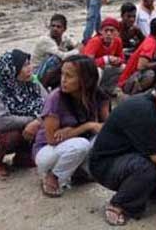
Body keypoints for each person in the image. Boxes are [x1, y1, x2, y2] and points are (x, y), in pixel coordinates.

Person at [90, 73, 156, 228]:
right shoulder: (142, 109)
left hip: (134, 154)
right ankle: (120, 204)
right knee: (147, 167)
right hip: (106, 164)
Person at [33, 55, 109, 197]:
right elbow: (51, 139)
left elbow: (108, 126)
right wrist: (87, 126)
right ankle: (53, 176)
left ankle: (79, 173)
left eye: (69, 76)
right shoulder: (56, 98)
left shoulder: (97, 95)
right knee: (81, 144)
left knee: (104, 138)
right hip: (48, 151)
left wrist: (73, 131)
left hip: (76, 146)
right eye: (62, 74)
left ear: (85, 79)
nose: (63, 79)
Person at [118, 17, 156, 95]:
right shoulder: (150, 43)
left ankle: (153, 91)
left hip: (136, 76)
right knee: (149, 74)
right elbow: (141, 66)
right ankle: (136, 95)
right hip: (127, 82)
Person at [32, 14, 79, 89]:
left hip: (49, 71)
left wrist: (74, 49)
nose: (55, 29)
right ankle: (42, 88)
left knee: (69, 53)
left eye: (58, 27)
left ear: (64, 29)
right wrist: (77, 50)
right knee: (55, 59)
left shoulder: (64, 37)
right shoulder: (45, 40)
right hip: (36, 73)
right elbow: (63, 56)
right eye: (53, 26)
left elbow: (78, 44)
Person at [82, 17, 124, 97]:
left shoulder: (118, 41)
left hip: (104, 67)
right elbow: (86, 64)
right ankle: (90, 93)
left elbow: (121, 58)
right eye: (106, 30)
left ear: (117, 33)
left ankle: (107, 89)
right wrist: (105, 59)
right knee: (98, 71)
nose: (108, 33)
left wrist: (117, 61)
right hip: (89, 72)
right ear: (101, 31)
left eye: (112, 31)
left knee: (122, 67)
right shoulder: (95, 41)